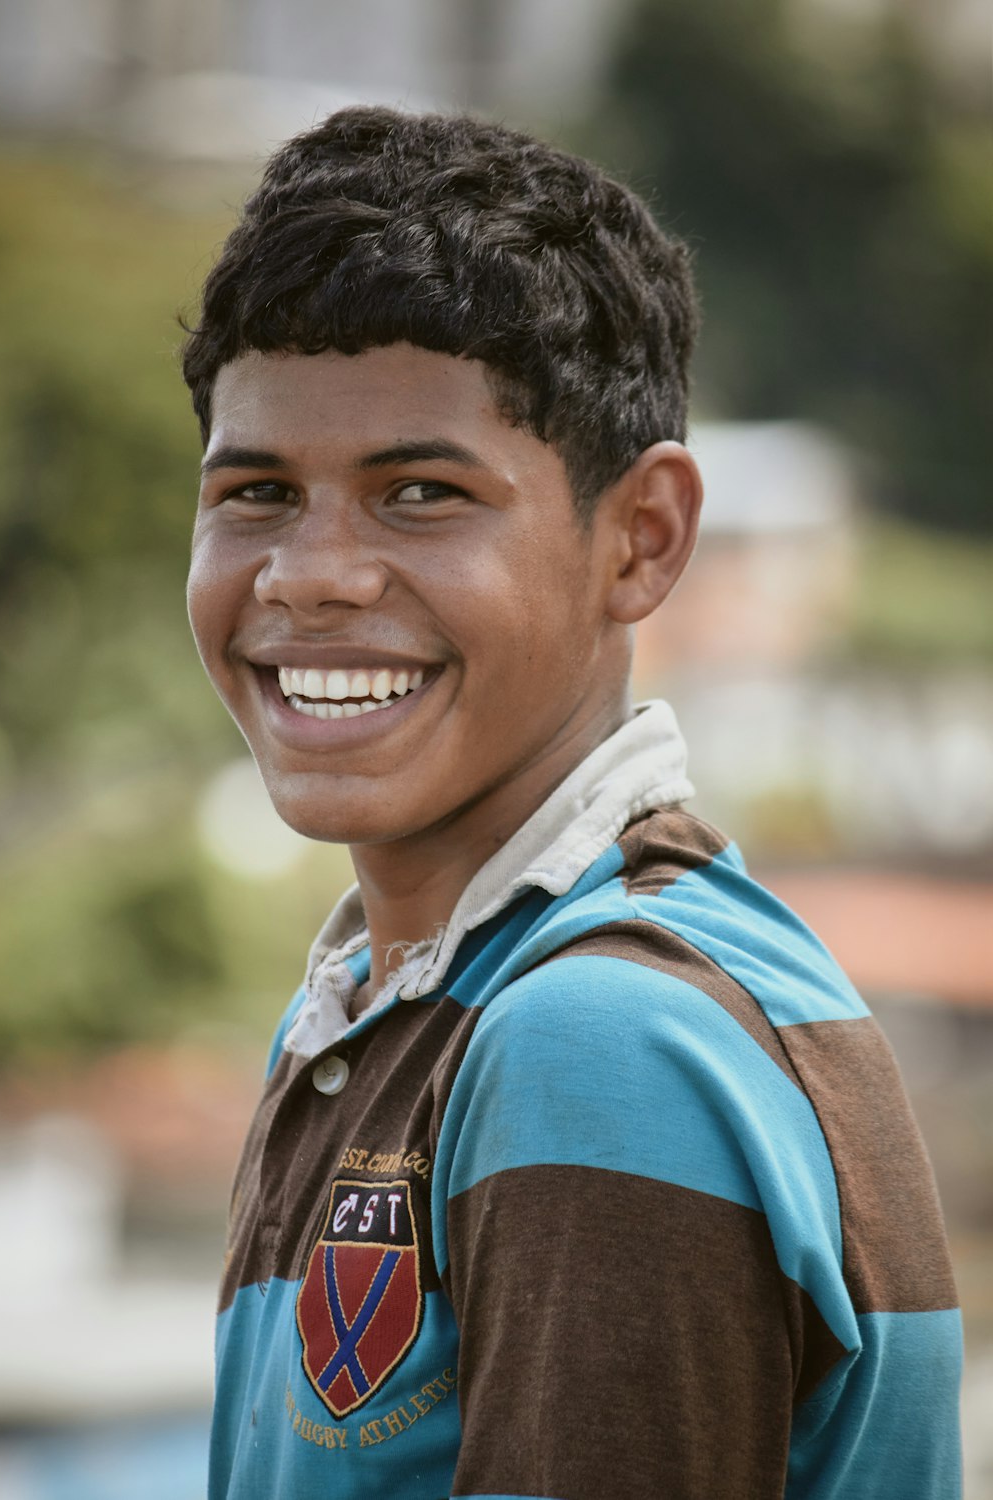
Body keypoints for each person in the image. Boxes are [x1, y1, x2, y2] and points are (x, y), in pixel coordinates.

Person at [182, 107, 962, 1500]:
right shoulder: (398, 1006)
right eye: (256, 492)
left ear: (641, 539)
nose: (309, 575)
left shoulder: (600, 1046)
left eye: (420, 491)